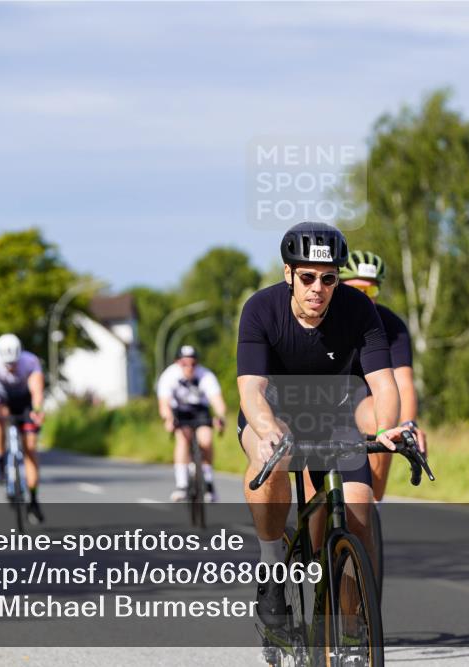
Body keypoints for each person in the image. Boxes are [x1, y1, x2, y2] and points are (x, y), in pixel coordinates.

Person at [237, 221, 417, 627]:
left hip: (333, 419)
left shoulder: (358, 310)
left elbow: (384, 383)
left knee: (357, 509)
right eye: (307, 277)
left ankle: (353, 633)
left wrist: (387, 428)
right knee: (271, 465)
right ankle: (271, 568)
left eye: (328, 278)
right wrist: (266, 431)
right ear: (289, 275)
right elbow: (251, 390)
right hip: (273, 413)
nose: (317, 287)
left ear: (338, 279)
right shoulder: (260, 310)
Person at [338, 249, 428, 501]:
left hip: (365, 402)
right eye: (356, 290)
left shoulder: (392, 326)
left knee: (384, 422)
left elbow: (404, 384)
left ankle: (372, 507)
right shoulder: (324, 317)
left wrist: (408, 425)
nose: (364, 299)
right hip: (323, 398)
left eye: (371, 292)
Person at [0, 333, 46, 524]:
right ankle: (0, 461)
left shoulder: (30, 361)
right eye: (8, 364)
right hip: (3, 399)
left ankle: (33, 500)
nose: (11, 367)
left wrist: (38, 411)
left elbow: (37, 391)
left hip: (24, 401)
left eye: (14, 363)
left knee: (30, 449)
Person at [156, 345, 227, 502]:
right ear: (177, 362)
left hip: (200, 410)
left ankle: (208, 482)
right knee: (183, 438)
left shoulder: (205, 375)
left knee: (206, 440)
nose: (189, 367)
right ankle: (181, 485)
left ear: (197, 363)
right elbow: (164, 403)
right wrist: (168, 419)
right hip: (179, 411)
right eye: (184, 364)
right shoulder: (169, 375)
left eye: (193, 364)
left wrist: (220, 416)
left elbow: (217, 400)